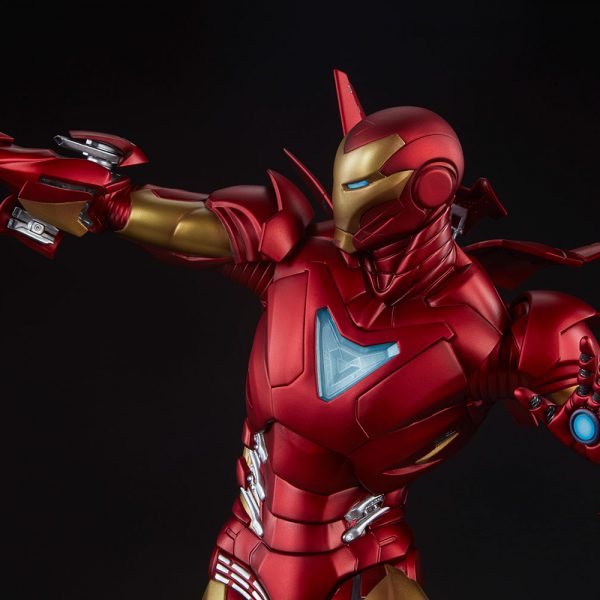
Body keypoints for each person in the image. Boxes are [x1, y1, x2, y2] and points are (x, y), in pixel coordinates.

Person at [1, 70, 598, 599]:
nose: (343, 203)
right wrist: (107, 204)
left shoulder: (490, 335)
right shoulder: (301, 260)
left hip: (361, 565)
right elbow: (185, 223)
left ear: (428, 189)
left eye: (360, 187)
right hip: (246, 550)